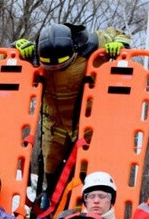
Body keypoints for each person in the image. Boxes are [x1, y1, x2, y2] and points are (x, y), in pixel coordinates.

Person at [13, 24, 130, 203]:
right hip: (54, 124)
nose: (55, 69)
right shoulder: (35, 54)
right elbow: (2, 63)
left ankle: (84, 208)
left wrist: (120, 45)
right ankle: (50, 207)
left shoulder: (93, 45)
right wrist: (15, 49)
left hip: (86, 123)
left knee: (85, 171)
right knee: (51, 168)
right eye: (50, 67)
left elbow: (118, 34)